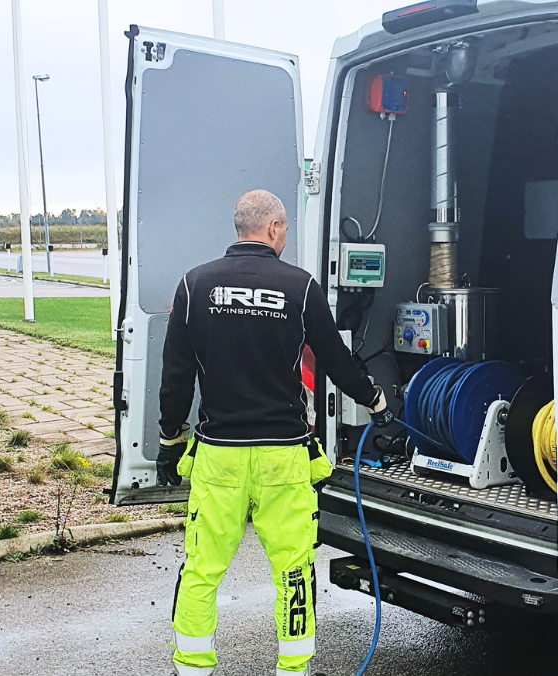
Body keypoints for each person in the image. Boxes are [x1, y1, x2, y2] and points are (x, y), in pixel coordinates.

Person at [156, 189, 393, 676]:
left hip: (219, 456)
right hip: (283, 458)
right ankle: (292, 668)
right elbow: (335, 359)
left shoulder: (194, 284)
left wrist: (168, 440)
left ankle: (193, 667)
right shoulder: (299, 287)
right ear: (273, 228)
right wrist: (374, 399)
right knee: (293, 571)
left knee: (201, 568)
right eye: (284, 229)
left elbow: (176, 375)